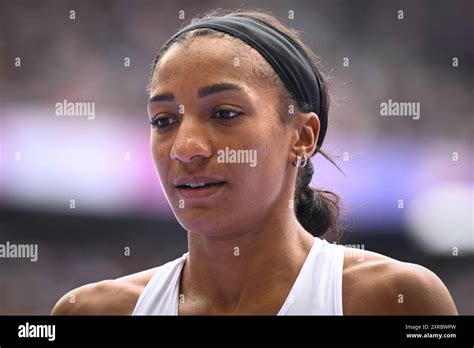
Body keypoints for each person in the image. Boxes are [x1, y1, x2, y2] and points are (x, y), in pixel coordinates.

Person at [51, 9, 458, 315]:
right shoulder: (90, 311)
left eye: (224, 113)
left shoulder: (398, 299)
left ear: (302, 137)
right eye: (164, 120)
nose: (185, 147)